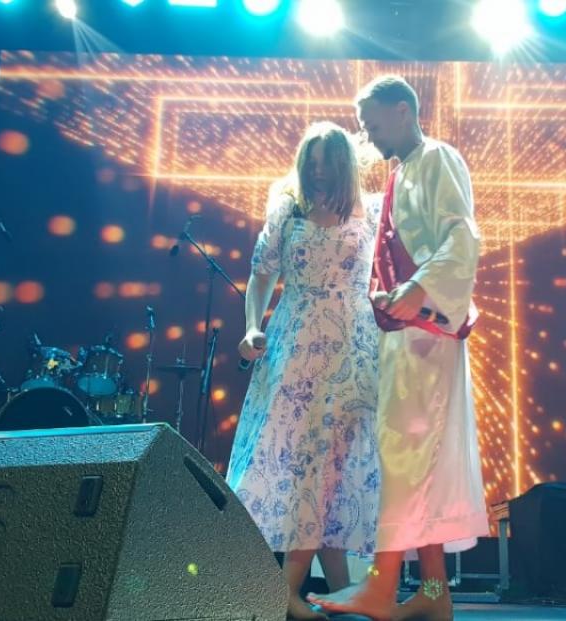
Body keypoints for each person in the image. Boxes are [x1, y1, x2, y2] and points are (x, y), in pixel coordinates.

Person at [310, 75, 488, 621]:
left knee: (405, 452)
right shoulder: (402, 171)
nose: (368, 134)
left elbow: (462, 236)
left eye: (372, 123)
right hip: (406, 332)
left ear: (404, 110)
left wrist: (418, 287)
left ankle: (381, 585)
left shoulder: (437, 158)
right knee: (413, 457)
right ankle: (433, 592)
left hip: (425, 330)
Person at [226, 121, 382, 620]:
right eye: (309, 165)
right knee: (305, 464)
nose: (316, 173)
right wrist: (253, 327)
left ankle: (335, 591)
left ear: (343, 165)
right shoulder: (287, 210)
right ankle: (301, 592)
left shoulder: (373, 211)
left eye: (325, 165)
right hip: (294, 352)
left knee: (333, 466)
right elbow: (260, 276)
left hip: (351, 353)